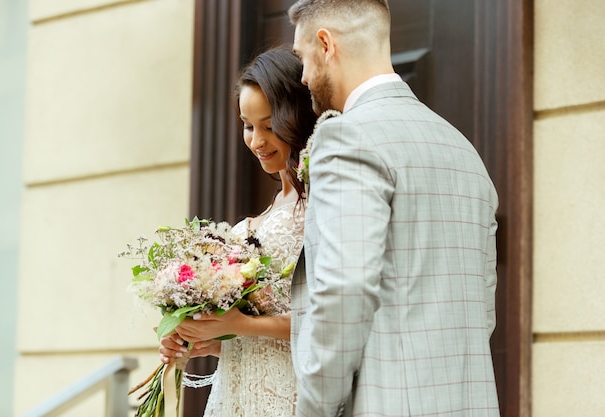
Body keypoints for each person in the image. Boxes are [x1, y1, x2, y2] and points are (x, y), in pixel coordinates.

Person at [287, 1, 501, 416]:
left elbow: (344, 290)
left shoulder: (346, 138)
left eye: (302, 58)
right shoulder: (461, 148)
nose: (303, 77)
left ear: (326, 45)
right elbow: (482, 307)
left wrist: (315, 408)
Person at [158, 46, 317, 416]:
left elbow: (328, 321)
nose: (257, 141)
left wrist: (241, 323)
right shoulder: (267, 214)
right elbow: (252, 337)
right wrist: (203, 338)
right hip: (235, 398)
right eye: (248, 126)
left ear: (297, 117)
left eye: (269, 125)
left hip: (288, 398)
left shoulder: (321, 207)